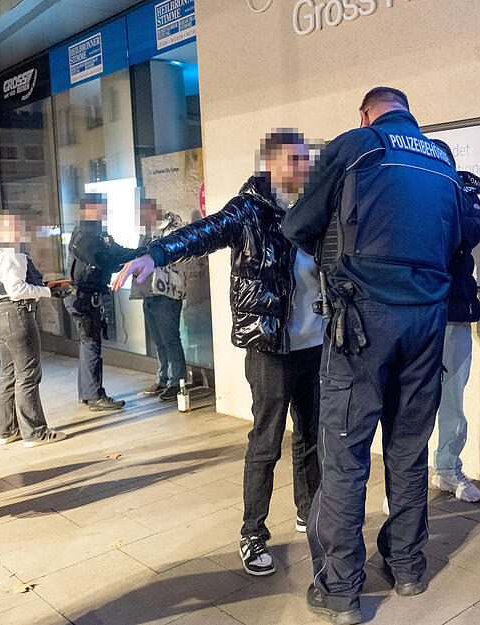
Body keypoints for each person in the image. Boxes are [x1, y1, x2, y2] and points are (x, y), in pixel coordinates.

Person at [281, 87, 480, 624]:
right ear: (408, 113)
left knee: (345, 457)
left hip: (361, 325)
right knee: (409, 449)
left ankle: (342, 591)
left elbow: (297, 225)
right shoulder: (442, 158)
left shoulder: (354, 145)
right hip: (427, 322)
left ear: (367, 113)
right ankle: (409, 566)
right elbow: (466, 233)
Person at [113, 130, 323, 578]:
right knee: (267, 442)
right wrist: (155, 255)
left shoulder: (314, 208)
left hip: (314, 343)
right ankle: (253, 533)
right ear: (271, 165)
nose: (304, 166)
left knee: (311, 435)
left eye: (306, 158)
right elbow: (201, 233)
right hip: (270, 345)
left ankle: (310, 511)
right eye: (295, 159)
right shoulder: (249, 209)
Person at [0, 211, 70, 447]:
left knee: (8, 374)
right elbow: (17, 290)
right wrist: (49, 291)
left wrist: (45, 287)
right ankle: (36, 433)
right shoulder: (11, 252)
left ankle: (7, 431)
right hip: (16, 315)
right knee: (28, 375)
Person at [430, 141, 480, 503]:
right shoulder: (412, 194)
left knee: (453, 401)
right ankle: (403, 480)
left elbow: (466, 233)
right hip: (416, 313)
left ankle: (448, 470)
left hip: (455, 313)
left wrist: (448, 193)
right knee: (411, 403)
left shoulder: (466, 194)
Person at [65, 194, 139, 412]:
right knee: (91, 345)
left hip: (87, 298)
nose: (105, 211)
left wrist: (143, 253)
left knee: (89, 345)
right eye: (101, 207)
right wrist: (127, 260)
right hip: (83, 299)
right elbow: (106, 260)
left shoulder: (96, 234)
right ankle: (94, 395)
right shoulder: (85, 237)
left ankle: (87, 393)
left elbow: (118, 252)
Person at [130, 199, 188, 402]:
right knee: (158, 340)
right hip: (149, 292)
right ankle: (164, 379)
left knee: (170, 339)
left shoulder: (172, 229)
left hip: (167, 293)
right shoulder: (147, 234)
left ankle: (177, 382)